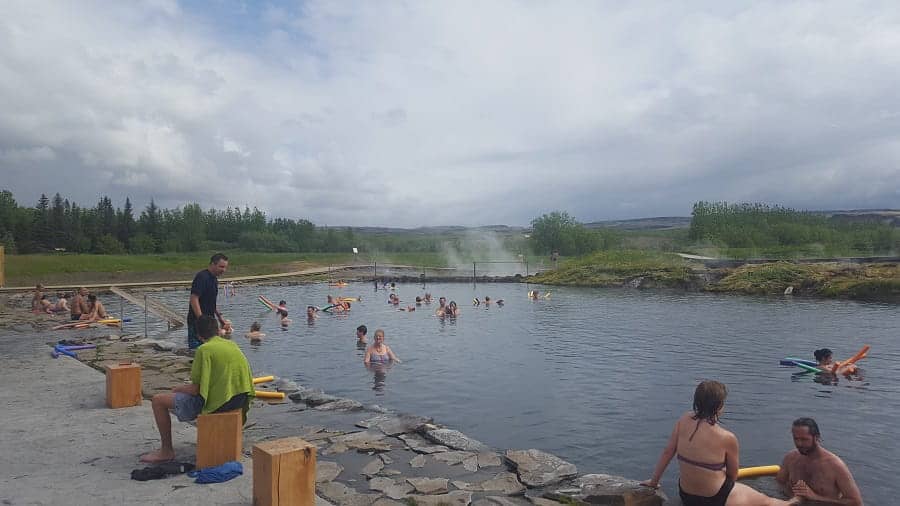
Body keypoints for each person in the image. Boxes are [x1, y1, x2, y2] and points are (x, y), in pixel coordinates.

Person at [641, 380, 798, 505]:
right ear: (720, 406)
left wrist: (654, 482)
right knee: (766, 501)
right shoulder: (727, 438)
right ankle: (795, 501)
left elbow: (668, 452)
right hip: (715, 499)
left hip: (687, 495)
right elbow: (733, 475)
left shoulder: (683, 420)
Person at [140, 315, 254, 463]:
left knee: (158, 401)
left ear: (199, 335)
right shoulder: (232, 345)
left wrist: (178, 389)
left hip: (218, 404)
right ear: (218, 330)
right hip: (239, 399)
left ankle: (166, 450)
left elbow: (196, 389)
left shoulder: (204, 350)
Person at [776, 418, 863, 505]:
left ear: (816, 437)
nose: (799, 444)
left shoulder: (835, 465)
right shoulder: (791, 458)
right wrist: (792, 496)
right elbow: (779, 484)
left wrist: (815, 497)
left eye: (804, 439)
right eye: (796, 439)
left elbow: (856, 502)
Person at [186, 253, 229, 350]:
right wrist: (201, 318)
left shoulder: (214, 280)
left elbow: (212, 301)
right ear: (212, 264)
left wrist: (220, 318)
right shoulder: (202, 277)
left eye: (225, 267)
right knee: (197, 349)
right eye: (221, 267)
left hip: (210, 320)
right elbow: (194, 298)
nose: (223, 270)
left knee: (212, 347)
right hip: (197, 321)